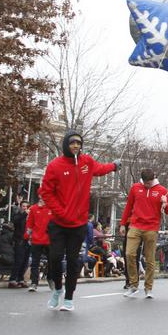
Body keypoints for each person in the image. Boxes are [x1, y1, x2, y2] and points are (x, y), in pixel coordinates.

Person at [39, 131, 120, 312]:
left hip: (78, 224)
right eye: (73, 142)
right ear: (66, 144)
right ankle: (57, 290)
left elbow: (100, 169)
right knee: (55, 257)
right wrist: (60, 212)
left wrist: (114, 166)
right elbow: (45, 192)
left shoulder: (86, 162)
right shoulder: (55, 166)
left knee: (74, 261)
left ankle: (68, 298)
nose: (76, 145)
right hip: (59, 223)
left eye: (79, 143)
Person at [120, 168, 168, 299]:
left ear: (154, 178)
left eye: (149, 182)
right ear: (142, 179)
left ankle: (148, 288)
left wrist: (165, 204)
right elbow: (128, 206)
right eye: (145, 182)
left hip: (151, 227)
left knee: (150, 260)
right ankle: (133, 285)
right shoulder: (135, 188)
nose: (147, 185)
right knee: (129, 254)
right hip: (135, 225)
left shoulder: (162, 190)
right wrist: (122, 224)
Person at [26, 197, 52, 291]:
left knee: (52, 261)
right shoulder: (33, 208)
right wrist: (27, 234)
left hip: (49, 240)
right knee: (35, 262)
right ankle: (34, 283)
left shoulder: (52, 208)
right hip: (36, 239)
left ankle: (50, 278)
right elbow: (30, 223)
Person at [9, 200, 29, 288]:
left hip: (28, 240)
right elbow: (15, 221)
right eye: (23, 206)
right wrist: (24, 214)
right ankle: (13, 279)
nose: (25, 208)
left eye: (26, 206)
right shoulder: (18, 215)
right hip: (19, 240)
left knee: (25, 260)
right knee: (18, 260)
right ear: (20, 207)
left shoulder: (29, 216)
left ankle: (20, 279)